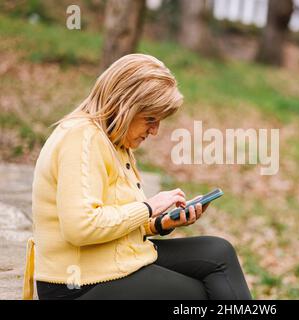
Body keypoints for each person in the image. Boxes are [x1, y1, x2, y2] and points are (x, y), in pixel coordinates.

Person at [23, 54, 252, 300]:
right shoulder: (82, 139)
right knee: (198, 295)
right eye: (150, 119)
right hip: (78, 284)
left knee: (218, 252)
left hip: (111, 259)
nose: (155, 131)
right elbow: (80, 227)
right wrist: (148, 207)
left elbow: (113, 217)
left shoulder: (116, 143)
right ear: (125, 105)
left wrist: (159, 223)